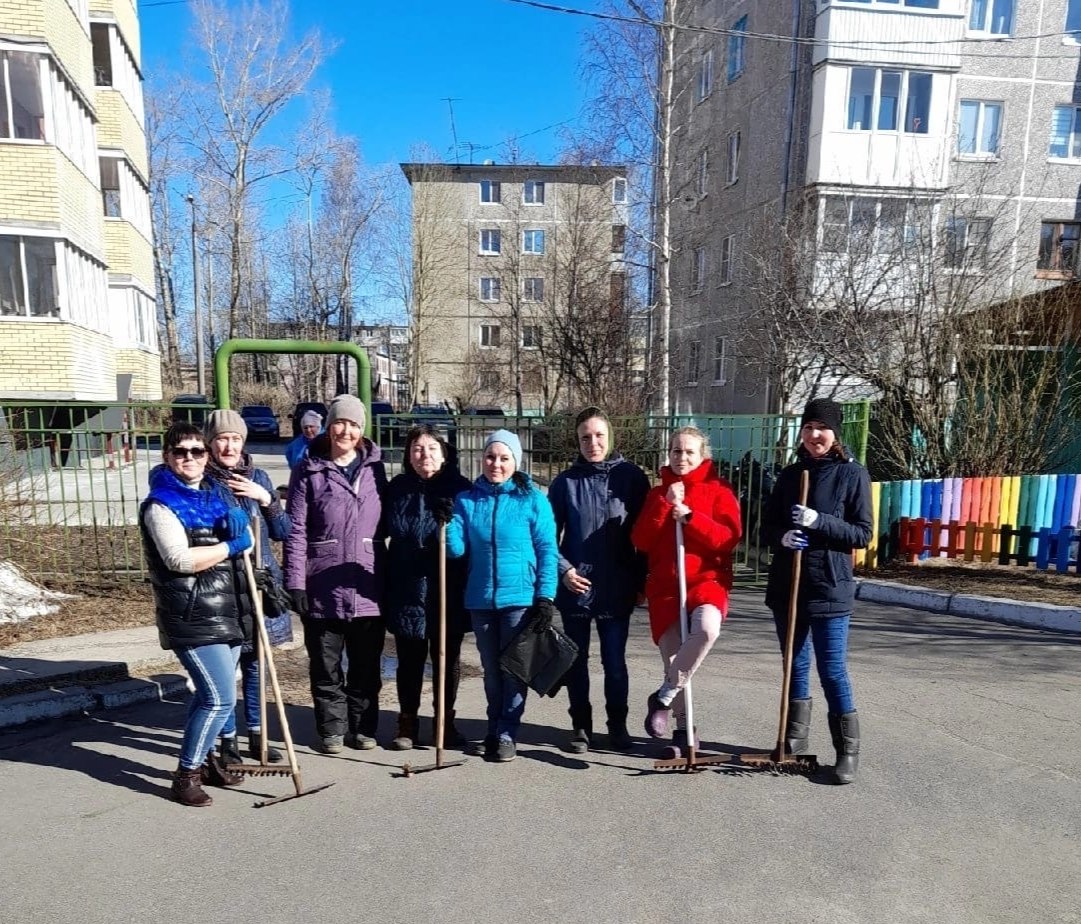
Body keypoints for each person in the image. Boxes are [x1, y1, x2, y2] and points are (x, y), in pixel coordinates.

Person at [138, 422, 254, 807]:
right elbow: (180, 560)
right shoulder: (161, 504)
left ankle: (206, 763)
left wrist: (241, 532)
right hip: (190, 614)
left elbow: (246, 543)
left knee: (210, 695)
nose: (190, 458)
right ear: (167, 456)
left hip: (227, 609)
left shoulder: (214, 494)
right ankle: (186, 774)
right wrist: (231, 545)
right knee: (219, 699)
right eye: (180, 451)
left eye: (197, 451)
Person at [763, 397, 872, 784]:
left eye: (821, 428)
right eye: (808, 428)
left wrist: (818, 520)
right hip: (788, 588)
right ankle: (794, 739)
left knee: (832, 671)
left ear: (835, 433)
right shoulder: (790, 475)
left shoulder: (852, 475)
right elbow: (767, 528)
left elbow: (862, 532)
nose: (813, 435)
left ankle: (847, 751)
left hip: (829, 587)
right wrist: (784, 536)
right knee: (795, 667)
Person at [445, 429, 558, 763]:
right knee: (491, 671)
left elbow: (547, 549)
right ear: (482, 458)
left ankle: (508, 732)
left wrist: (546, 596)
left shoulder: (533, 500)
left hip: (519, 601)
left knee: (513, 671)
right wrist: (448, 523)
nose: (496, 464)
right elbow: (456, 550)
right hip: (481, 600)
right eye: (491, 457)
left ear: (516, 461)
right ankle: (493, 728)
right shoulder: (468, 499)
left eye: (504, 458)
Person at [284, 395, 387, 754]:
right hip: (322, 582)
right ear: (330, 426)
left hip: (367, 582)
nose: (346, 430)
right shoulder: (308, 469)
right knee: (326, 665)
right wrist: (295, 581)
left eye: (354, 425)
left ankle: (362, 727)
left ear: (362, 431)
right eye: (340, 423)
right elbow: (296, 529)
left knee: (365, 667)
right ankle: (331, 728)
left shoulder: (377, 469)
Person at [632, 426, 741, 759]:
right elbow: (641, 540)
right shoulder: (656, 495)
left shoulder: (719, 491)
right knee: (675, 659)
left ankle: (663, 695)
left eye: (689, 452)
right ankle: (684, 733)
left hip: (706, 582)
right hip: (666, 589)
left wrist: (691, 518)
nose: (682, 457)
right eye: (676, 451)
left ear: (702, 455)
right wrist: (666, 506)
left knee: (706, 628)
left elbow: (729, 537)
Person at [547, 407, 650, 753]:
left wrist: (640, 583)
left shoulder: (632, 478)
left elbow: (645, 537)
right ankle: (581, 725)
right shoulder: (565, 483)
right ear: (577, 441)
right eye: (585, 437)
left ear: (610, 437)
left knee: (614, 662)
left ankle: (617, 725)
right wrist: (564, 571)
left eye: (599, 436)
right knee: (577, 661)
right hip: (577, 587)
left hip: (617, 586)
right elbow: (548, 538)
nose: (593, 443)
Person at [203, 408, 291, 765]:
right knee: (229, 666)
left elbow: (283, 531)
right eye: (222, 438)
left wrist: (266, 499)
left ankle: (258, 734)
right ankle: (227, 741)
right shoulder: (204, 483)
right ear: (209, 443)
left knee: (258, 664)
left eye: (235, 438)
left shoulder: (260, 477)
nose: (229, 445)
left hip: (261, 583)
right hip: (225, 586)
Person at [381, 424, 471, 750]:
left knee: (447, 659)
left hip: (447, 587)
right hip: (406, 587)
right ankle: (407, 723)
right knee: (410, 660)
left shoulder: (460, 489)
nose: (424, 455)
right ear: (408, 455)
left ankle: (445, 722)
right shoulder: (398, 488)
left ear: (444, 454)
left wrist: (451, 522)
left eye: (432, 448)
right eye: (417, 449)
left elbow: (471, 541)